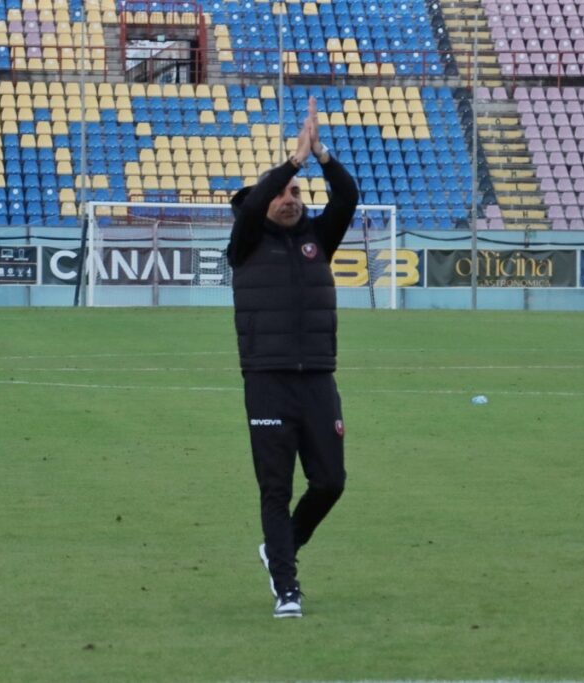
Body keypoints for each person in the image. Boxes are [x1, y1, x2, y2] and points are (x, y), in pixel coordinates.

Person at [227, 96, 359, 619]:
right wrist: (292, 161)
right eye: (283, 193)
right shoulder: (246, 241)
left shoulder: (316, 239)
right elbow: (259, 193)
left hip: (318, 379)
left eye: (297, 193)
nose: (291, 198)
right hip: (266, 380)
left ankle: (279, 550)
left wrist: (321, 154)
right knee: (276, 488)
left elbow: (347, 197)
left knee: (330, 482)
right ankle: (287, 587)